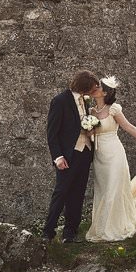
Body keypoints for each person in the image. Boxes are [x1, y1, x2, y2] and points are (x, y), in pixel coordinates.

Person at [85, 76, 136, 242]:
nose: (94, 89)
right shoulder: (91, 112)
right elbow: (90, 136)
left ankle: (115, 227)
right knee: (104, 189)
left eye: (97, 87)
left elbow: (129, 127)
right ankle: (102, 225)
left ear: (104, 92)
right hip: (99, 156)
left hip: (114, 153)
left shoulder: (113, 109)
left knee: (114, 187)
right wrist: (89, 130)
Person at [43, 70, 100, 243]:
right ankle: (48, 232)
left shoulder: (85, 100)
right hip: (68, 155)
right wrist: (58, 157)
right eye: (92, 87)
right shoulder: (60, 101)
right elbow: (52, 133)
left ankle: (70, 233)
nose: (94, 90)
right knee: (61, 192)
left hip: (85, 153)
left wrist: (91, 130)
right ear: (84, 86)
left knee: (78, 194)